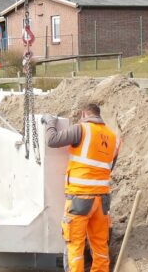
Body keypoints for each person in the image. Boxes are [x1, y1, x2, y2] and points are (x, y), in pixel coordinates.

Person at [44, 104, 120, 272]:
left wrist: (50, 122)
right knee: (100, 245)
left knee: (75, 245)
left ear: (85, 114)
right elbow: (108, 167)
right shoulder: (114, 138)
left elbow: (52, 140)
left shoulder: (82, 129)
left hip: (79, 198)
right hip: (102, 200)